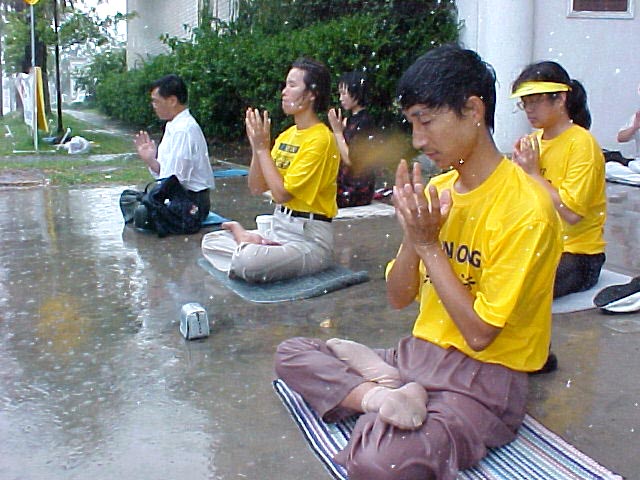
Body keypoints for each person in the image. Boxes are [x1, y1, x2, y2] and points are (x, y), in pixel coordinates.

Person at [275, 45, 562, 479]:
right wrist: (413, 235)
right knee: (291, 353)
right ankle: (382, 396)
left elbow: (480, 334)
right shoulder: (439, 190)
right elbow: (398, 298)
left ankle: (383, 395)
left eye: (426, 121)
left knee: (379, 463)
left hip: (482, 382)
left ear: (473, 110)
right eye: (412, 124)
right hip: (414, 356)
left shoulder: (527, 209)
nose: (418, 141)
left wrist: (429, 246)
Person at [201, 58, 340, 283]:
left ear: (311, 94)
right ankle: (252, 246)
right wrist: (257, 149)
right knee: (211, 241)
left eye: (292, 85)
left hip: (307, 239)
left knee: (250, 262)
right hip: (278, 227)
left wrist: (263, 149)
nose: (284, 92)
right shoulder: (287, 136)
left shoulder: (321, 139)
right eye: (285, 85)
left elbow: (282, 194)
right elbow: (256, 187)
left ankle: (247, 245)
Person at [511, 61, 607, 299]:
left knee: (520, 292)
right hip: (539, 244)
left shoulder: (582, 143)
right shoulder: (532, 142)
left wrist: (533, 174)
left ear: (560, 98)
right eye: (525, 102)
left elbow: (572, 214)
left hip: (578, 253)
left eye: (536, 101)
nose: (529, 109)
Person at [132, 74, 215, 225]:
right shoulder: (173, 126)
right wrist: (150, 160)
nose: (154, 106)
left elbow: (175, 181)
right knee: (130, 200)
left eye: (156, 101)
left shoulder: (184, 130)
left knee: (141, 212)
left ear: (172, 101)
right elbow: (167, 177)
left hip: (191, 203)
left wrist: (155, 198)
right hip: (177, 196)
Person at [328, 71, 377, 208]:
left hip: (357, 188)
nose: (341, 98)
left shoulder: (364, 122)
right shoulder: (350, 121)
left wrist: (338, 133)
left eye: (344, 93)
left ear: (357, 92)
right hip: (345, 184)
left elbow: (351, 160)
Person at [616, 83, 640, 162]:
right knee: (610, 166)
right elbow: (620, 138)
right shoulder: (637, 117)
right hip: (638, 163)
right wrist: (634, 128)